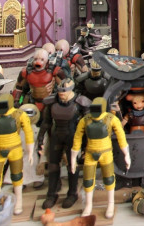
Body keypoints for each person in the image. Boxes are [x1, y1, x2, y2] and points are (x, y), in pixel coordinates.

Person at [37, 78, 91, 209]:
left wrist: (87, 144)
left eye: (64, 92)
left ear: (71, 90)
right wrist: (40, 138)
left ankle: (72, 193)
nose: (61, 95)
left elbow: (88, 124)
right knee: (53, 165)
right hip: (56, 135)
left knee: (72, 165)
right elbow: (46, 122)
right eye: (60, 92)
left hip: (72, 136)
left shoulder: (80, 102)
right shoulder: (52, 102)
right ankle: (51, 194)